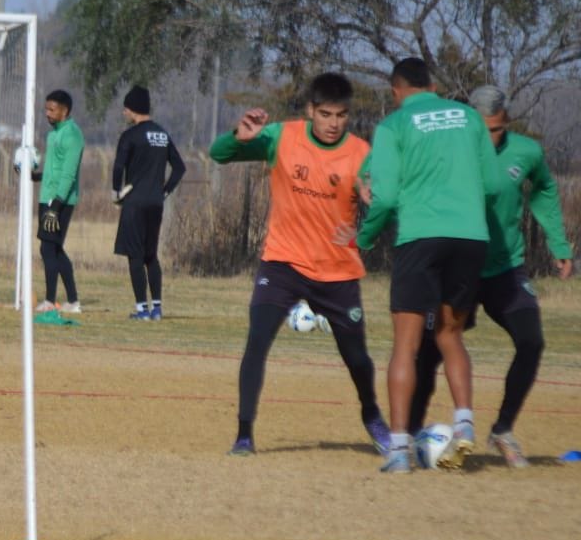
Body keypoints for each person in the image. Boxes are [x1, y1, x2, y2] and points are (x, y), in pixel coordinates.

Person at [209, 72, 391, 457]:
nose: (333, 123)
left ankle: (372, 415)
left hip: (337, 272)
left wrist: (371, 213)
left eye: (341, 115)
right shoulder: (282, 137)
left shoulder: (361, 153)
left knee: (357, 358)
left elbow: (383, 202)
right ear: (310, 110)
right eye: (325, 114)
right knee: (257, 342)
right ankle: (244, 435)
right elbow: (218, 154)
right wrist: (239, 136)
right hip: (283, 263)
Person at [404, 84, 571, 469]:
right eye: (481, 130)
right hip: (456, 268)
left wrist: (559, 243)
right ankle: (408, 436)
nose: (489, 137)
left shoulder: (526, 152)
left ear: (506, 121)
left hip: (504, 268)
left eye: (496, 129)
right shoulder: (448, 152)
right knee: (429, 354)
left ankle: (503, 430)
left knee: (531, 341)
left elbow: (544, 189)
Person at [357, 57, 500, 474]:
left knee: (406, 344)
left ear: (396, 91)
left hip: (421, 236)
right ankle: (465, 423)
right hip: (470, 237)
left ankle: (399, 450)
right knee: (450, 335)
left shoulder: (394, 125)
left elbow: (384, 197)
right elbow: (493, 184)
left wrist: (364, 237)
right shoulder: (469, 117)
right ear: (433, 86)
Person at [112, 85, 185, 320]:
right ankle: (157, 309)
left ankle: (142, 310)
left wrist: (116, 191)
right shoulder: (162, 134)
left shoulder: (130, 135)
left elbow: (118, 167)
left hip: (134, 202)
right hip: (155, 202)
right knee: (150, 255)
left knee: (135, 256)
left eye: (126, 108)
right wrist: (164, 192)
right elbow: (179, 167)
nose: (124, 112)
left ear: (133, 109)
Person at [29, 89, 84, 316]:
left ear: (65, 111)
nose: (47, 113)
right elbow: (54, 171)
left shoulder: (73, 135)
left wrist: (56, 206)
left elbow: (68, 174)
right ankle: (73, 301)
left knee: (47, 248)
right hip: (47, 198)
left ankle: (50, 301)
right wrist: (34, 175)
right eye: (46, 109)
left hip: (61, 201)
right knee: (55, 248)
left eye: (52, 109)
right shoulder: (53, 135)